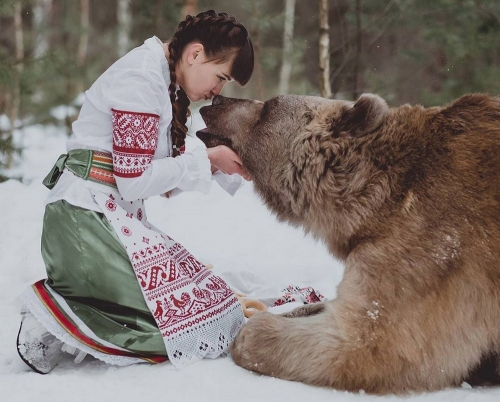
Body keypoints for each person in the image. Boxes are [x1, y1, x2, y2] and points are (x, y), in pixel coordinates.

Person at [16, 9, 254, 374]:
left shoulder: (161, 81)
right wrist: (206, 159)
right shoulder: (140, 79)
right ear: (195, 54)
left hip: (109, 221)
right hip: (85, 222)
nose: (217, 90)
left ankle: (75, 308)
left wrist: (218, 163)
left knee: (215, 306)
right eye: (220, 77)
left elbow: (155, 173)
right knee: (183, 327)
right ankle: (54, 316)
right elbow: (135, 179)